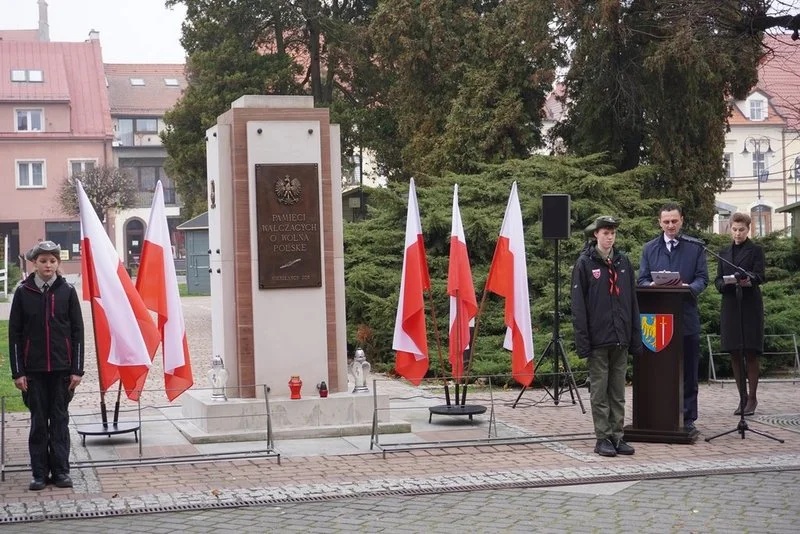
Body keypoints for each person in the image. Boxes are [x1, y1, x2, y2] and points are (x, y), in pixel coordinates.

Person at [8, 241, 84, 491]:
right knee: (39, 423)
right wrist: (18, 372)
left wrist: (77, 369)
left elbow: (77, 332)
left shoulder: (67, 291)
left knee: (60, 421)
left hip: (62, 371)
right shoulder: (23, 292)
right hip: (34, 372)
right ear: (35, 263)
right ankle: (39, 473)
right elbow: (15, 334)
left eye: (52, 261)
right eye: (43, 261)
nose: (48, 265)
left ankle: (61, 471)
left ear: (58, 263)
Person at [571, 216, 642, 457]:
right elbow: (578, 306)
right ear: (596, 235)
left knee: (617, 392)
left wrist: (634, 336)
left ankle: (617, 435)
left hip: (620, 337)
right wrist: (583, 341)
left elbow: (632, 301)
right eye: (605, 233)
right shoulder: (585, 263)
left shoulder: (623, 262)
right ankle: (603, 437)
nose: (609, 237)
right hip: (598, 339)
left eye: (612, 233)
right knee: (599, 391)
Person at [638, 202, 708, 433]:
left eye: (674, 221)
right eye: (666, 221)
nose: (670, 225)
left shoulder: (695, 248)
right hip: (658, 321)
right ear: (659, 223)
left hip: (685, 317)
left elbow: (702, 278)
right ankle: (661, 413)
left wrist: (689, 288)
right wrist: (651, 285)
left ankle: (688, 417)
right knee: (661, 370)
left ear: (682, 221)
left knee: (688, 370)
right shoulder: (649, 248)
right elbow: (642, 279)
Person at [713, 212, 765, 416]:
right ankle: (742, 397)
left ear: (748, 229)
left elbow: (760, 275)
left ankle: (752, 398)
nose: (737, 233)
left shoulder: (756, 250)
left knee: (750, 351)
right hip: (731, 304)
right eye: (734, 229)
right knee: (734, 351)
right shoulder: (723, 252)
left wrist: (748, 278)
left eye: (741, 230)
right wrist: (724, 284)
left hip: (750, 305)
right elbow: (718, 279)